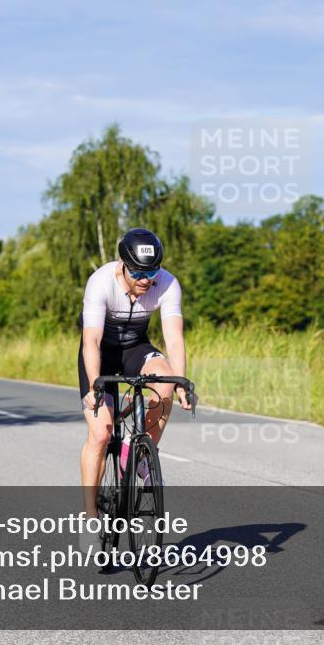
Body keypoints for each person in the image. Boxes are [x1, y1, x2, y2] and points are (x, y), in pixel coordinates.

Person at [78, 228, 192, 537]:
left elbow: (174, 338)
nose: (146, 279)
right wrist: (94, 386)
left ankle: (140, 453)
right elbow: (91, 340)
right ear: (122, 264)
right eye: (138, 272)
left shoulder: (166, 284)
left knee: (165, 380)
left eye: (152, 271)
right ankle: (90, 518)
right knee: (101, 434)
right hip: (100, 353)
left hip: (136, 348)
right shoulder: (100, 282)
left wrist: (180, 382)